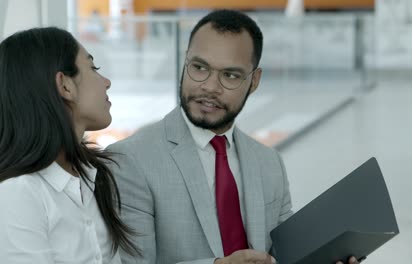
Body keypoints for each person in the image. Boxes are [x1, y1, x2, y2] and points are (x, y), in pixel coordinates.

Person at [108, 10, 359, 264]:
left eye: (230, 75)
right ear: (185, 62)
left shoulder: (269, 162)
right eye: (199, 67)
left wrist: (324, 258)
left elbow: (286, 255)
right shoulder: (130, 160)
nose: (210, 87)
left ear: (254, 81)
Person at [0, 27, 139, 263]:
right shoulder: (17, 193)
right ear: (64, 85)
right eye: (94, 68)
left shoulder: (92, 175)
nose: (107, 82)